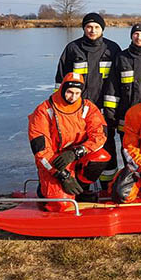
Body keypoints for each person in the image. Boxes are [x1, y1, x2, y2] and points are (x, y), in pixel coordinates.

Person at [55, 12, 121, 188]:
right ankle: (81, 187)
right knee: (78, 146)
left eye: (96, 27)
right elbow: (61, 81)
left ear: (102, 29)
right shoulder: (72, 49)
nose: (92, 30)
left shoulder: (112, 49)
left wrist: (112, 111)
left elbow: (118, 82)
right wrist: (61, 109)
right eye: (89, 27)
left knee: (107, 147)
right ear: (84, 28)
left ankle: (108, 187)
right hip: (77, 110)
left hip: (103, 109)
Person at [28, 72, 111, 211]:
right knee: (62, 205)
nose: (73, 97)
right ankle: (43, 192)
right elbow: (41, 151)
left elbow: (100, 135)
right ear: (62, 89)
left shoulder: (87, 108)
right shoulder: (43, 111)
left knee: (101, 156)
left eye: (77, 93)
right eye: (69, 92)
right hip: (54, 161)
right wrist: (62, 175)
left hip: (75, 156)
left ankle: (81, 189)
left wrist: (78, 151)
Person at [103, 23, 141, 162]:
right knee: (128, 152)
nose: (139, 37)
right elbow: (112, 89)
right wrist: (110, 115)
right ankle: (130, 182)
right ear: (131, 36)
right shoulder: (121, 58)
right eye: (136, 34)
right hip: (126, 115)